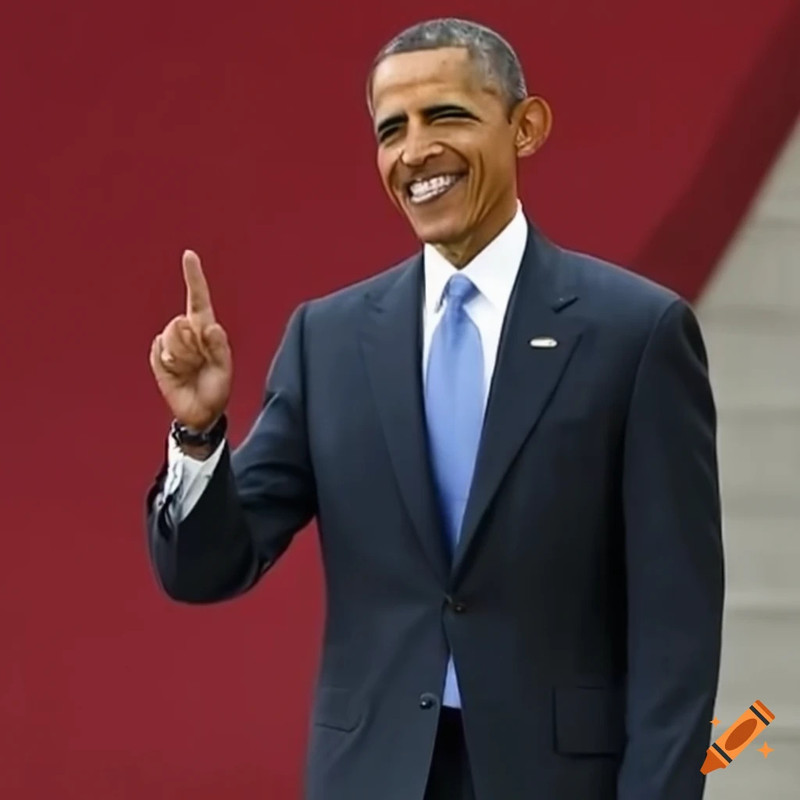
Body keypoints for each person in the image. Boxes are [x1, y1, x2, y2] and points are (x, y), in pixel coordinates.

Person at [146, 17, 724, 800]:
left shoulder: (637, 333)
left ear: (526, 127)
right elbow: (208, 567)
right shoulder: (329, 339)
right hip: (372, 776)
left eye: (445, 115)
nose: (415, 151)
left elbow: (677, 623)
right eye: (393, 129)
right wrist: (197, 433)